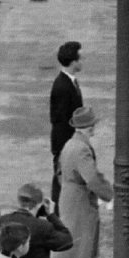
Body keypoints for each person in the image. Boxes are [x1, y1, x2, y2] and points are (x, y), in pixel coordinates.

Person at [58, 106, 113, 258]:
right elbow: (92, 178)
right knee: (79, 243)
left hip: (71, 196)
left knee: (81, 241)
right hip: (79, 200)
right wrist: (109, 195)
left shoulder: (71, 144)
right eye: (91, 125)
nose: (94, 128)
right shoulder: (81, 148)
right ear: (85, 127)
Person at [49, 42, 84, 210]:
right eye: (80, 57)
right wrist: (67, 147)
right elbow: (61, 121)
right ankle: (56, 213)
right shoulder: (63, 87)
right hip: (64, 142)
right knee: (61, 180)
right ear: (73, 61)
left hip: (67, 142)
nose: (83, 60)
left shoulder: (70, 82)